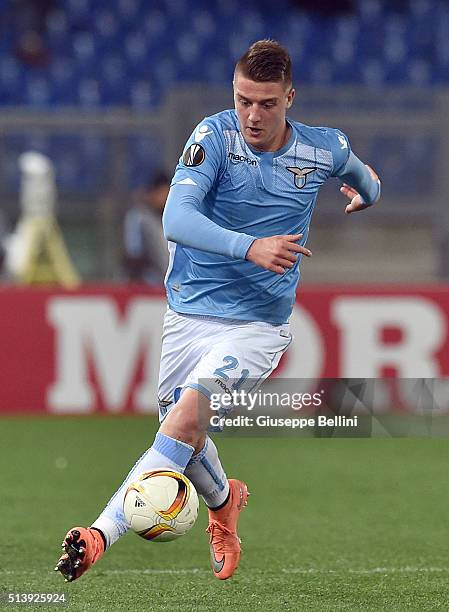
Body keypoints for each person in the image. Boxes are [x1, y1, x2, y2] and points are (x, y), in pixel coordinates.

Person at [55, 39, 380, 582]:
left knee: (184, 421)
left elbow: (364, 175)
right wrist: (250, 246)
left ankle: (98, 535)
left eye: (266, 103)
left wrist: (365, 193)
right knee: (182, 435)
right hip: (187, 314)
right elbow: (175, 220)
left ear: (290, 98)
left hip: (256, 326)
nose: (252, 115)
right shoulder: (213, 137)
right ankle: (224, 503)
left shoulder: (322, 149)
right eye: (242, 99)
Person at [122, 171, 170, 284]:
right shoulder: (139, 217)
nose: (165, 198)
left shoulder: (170, 219)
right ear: (152, 193)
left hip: (167, 284)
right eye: (162, 193)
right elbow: (133, 254)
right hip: (146, 282)